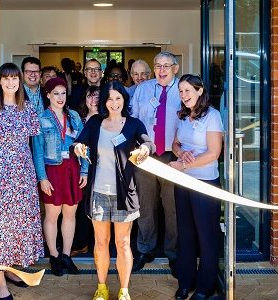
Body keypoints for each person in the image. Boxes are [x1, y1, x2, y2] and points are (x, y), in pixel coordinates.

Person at [73, 81, 154, 300]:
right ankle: (102, 287)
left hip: (124, 193)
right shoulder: (95, 123)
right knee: (100, 243)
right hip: (98, 192)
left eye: (118, 98)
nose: (114, 103)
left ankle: (124, 290)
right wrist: (79, 147)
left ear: (124, 100)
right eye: (110, 99)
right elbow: (79, 141)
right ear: (103, 102)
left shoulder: (134, 124)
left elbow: (148, 142)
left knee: (123, 242)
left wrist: (145, 148)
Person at [0, 63, 44, 300]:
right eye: (6, 78)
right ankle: (0, 280)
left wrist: (35, 177)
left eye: (15, 78)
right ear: (0, 81)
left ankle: (12, 269)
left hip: (22, 177)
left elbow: (32, 145)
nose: (11, 82)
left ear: (20, 81)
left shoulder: (27, 109)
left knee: (16, 227)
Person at [169, 74, 223, 300]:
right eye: (181, 91)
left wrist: (181, 164)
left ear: (200, 91)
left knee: (206, 236)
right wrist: (181, 153)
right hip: (183, 182)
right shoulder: (181, 115)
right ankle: (185, 282)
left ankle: (205, 286)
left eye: (188, 90)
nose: (184, 95)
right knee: (187, 234)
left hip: (205, 184)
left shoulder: (213, 116)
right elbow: (175, 144)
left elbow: (214, 153)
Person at [32, 77, 88, 276]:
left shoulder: (73, 116)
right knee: (52, 215)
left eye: (63, 93)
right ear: (47, 95)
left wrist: (84, 171)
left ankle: (66, 255)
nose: (60, 97)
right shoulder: (41, 118)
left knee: (70, 214)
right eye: (55, 93)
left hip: (72, 168)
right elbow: (37, 151)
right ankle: (54, 256)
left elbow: (84, 144)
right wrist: (42, 178)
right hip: (52, 171)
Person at [130, 51, 180, 273]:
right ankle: (145, 249)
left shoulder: (183, 89)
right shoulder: (142, 89)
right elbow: (133, 121)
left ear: (175, 69)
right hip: (146, 154)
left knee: (172, 207)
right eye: (158, 66)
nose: (161, 70)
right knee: (146, 204)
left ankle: (173, 252)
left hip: (172, 155)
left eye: (166, 66)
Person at [70, 84, 100, 256]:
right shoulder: (77, 119)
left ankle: (100, 244)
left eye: (97, 97)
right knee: (82, 207)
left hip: (102, 168)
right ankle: (82, 243)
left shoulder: (106, 118)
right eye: (89, 96)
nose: (93, 100)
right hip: (80, 168)